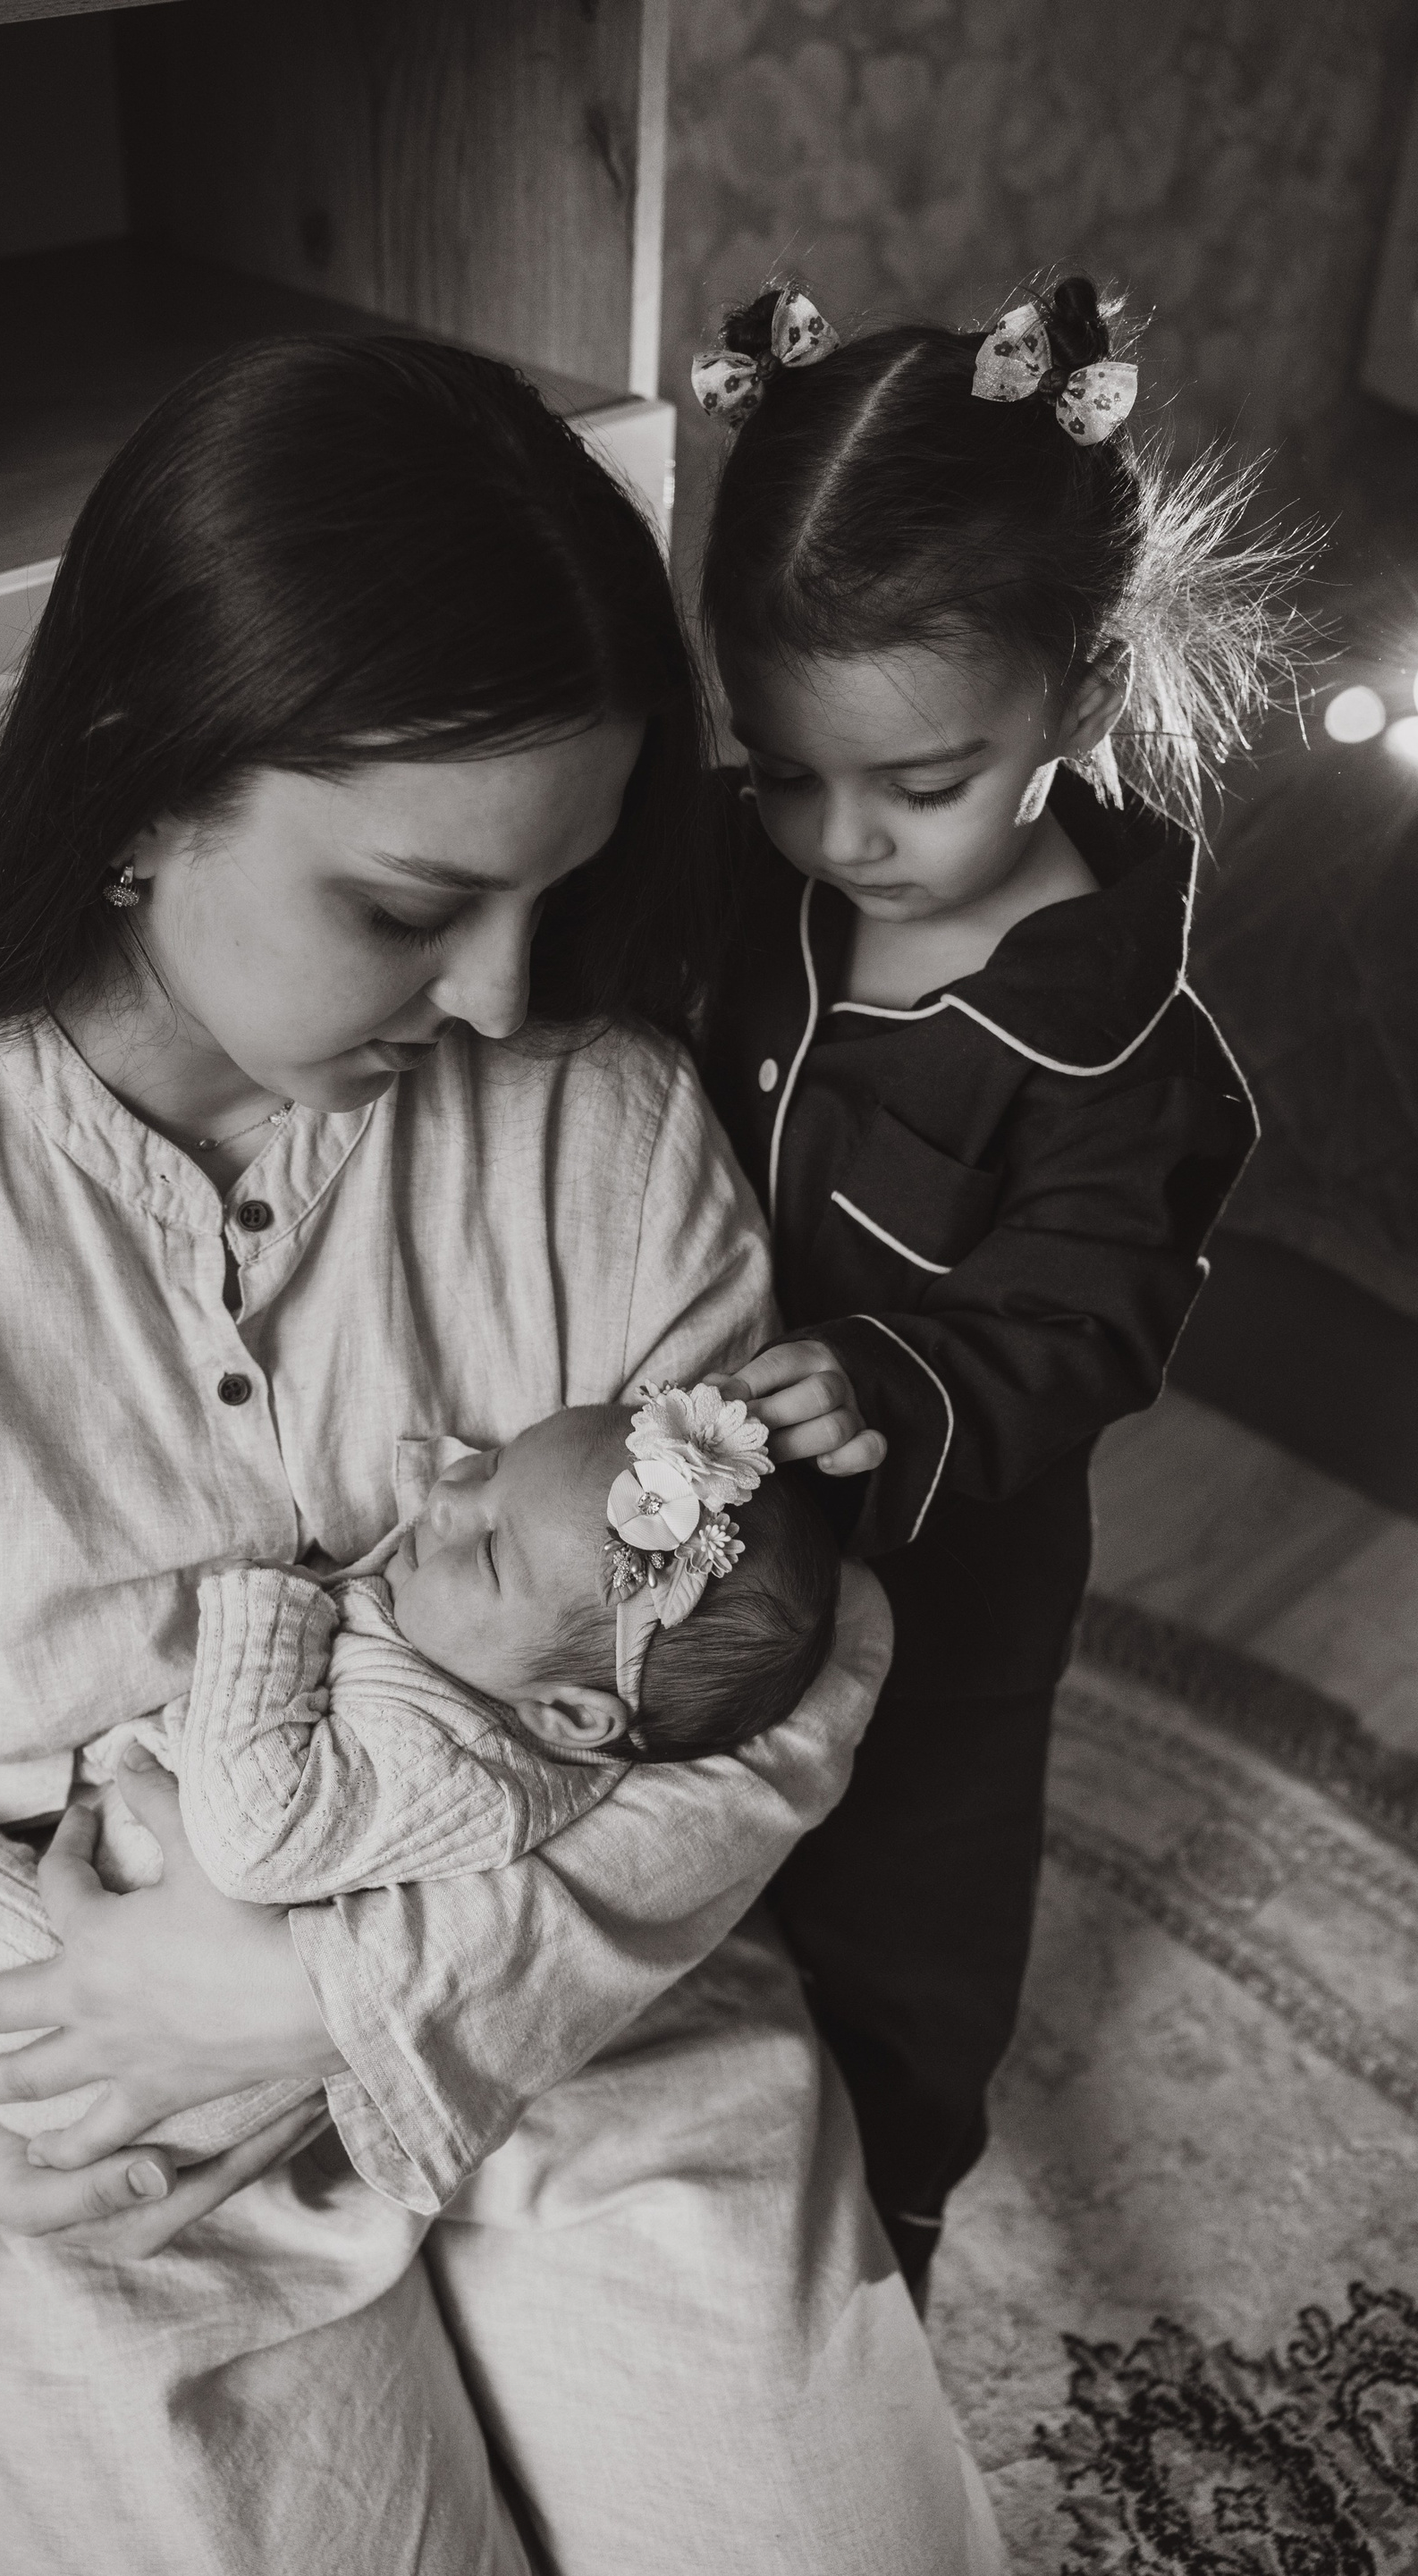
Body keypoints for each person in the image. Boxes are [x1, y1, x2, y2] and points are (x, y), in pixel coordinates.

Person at [0, 334, 1004, 2574]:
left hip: (575, 2011)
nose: (498, 996)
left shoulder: (599, 1127)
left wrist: (351, 1993)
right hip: (97, 2109)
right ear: (138, 778)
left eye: (552, 893)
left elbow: (784, 1678)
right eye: (408, 908)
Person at [692, 275, 1293, 2296]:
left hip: (945, 1596)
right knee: (692, 1883)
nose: (842, 838)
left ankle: (888, 2230)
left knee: (902, 1915)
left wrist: (896, 1381)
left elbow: (1083, 1317)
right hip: (691, 1543)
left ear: (1083, 699)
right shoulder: (749, 885)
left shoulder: (1127, 1060)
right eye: (785, 771)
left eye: (920, 785)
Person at [0, 1389, 842, 2158]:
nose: (449, 1499)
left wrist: (271, 1607)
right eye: (491, 1465)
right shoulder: (483, 1658)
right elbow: (467, 1549)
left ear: (570, 1716)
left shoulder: (458, 1762)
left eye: (488, 1550)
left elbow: (251, 1839)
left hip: (131, 2050)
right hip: (151, 1955)